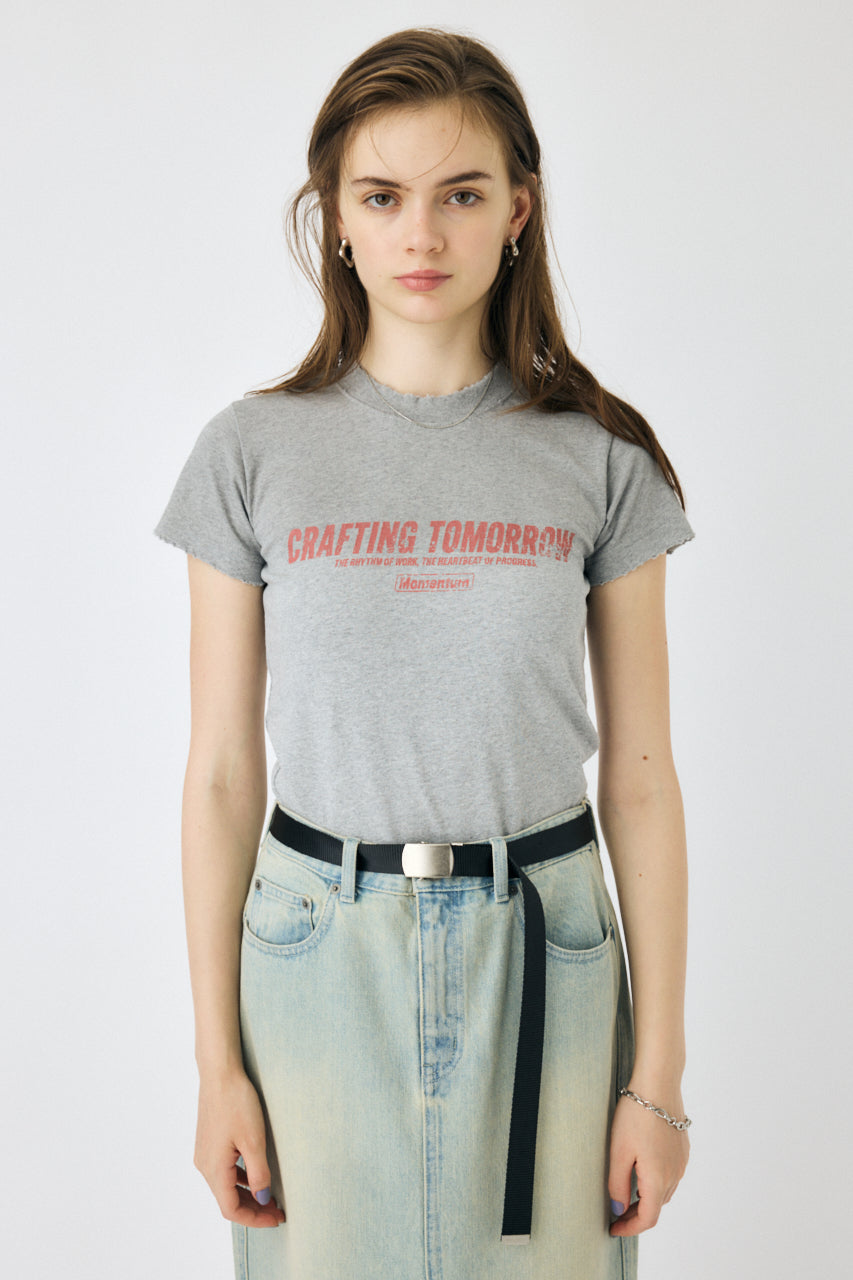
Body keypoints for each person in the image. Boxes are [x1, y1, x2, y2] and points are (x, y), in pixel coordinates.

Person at [153, 26, 693, 1280]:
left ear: (518, 210)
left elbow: (643, 775)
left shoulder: (601, 457)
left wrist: (655, 1078)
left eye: (460, 194)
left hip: (546, 949)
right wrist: (217, 1063)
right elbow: (223, 771)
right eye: (382, 196)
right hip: (313, 955)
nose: (422, 235)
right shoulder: (250, 453)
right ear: (336, 218)